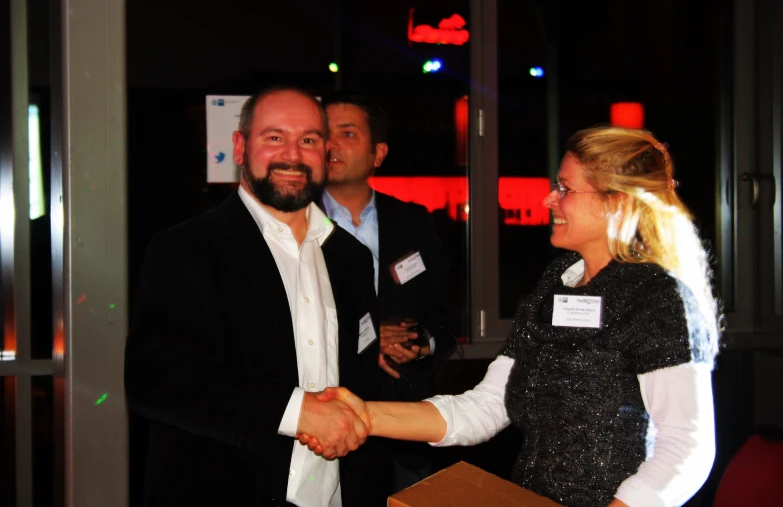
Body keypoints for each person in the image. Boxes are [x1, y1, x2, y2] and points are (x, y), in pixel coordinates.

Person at [300, 126, 721, 507]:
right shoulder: (558, 281)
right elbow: (485, 408)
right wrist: (361, 415)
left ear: (618, 203)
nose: (548, 199)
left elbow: (687, 447)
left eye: (565, 188)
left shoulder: (658, 297)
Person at [124, 86, 391, 507]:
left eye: (308, 140)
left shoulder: (351, 258)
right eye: (274, 137)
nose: (293, 154)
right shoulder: (187, 248)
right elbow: (155, 378)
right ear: (240, 146)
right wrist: (296, 410)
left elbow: (362, 377)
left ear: (326, 153)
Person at [319, 92, 457, 490]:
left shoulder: (413, 222)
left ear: (378, 154)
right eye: (324, 134)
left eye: (347, 134)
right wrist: (365, 340)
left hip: (403, 410)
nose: (331, 145)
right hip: (325, 414)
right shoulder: (296, 220)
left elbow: (443, 313)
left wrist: (418, 342)